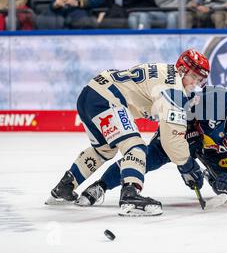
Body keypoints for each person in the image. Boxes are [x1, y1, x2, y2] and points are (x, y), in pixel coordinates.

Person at [46, 49, 210, 217]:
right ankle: (130, 195)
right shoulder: (173, 89)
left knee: (103, 150)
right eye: (194, 77)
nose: (195, 84)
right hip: (108, 99)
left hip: (89, 95)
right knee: (136, 147)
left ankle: (65, 186)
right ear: (182, 70)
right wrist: (188, 165)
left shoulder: (166, 73)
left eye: (200, 80)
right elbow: (171, 140)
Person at [76, 80, 227, 206]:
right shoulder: (212, 99)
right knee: (147, 158)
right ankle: (101, 185)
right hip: (185, 134)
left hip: (216, 151)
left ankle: (213, 176)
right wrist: (184, 163)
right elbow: (174, 111)